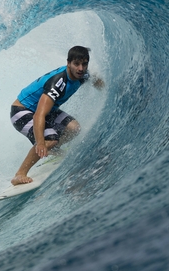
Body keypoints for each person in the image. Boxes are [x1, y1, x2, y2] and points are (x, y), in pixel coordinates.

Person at [9, 45, 104, 185]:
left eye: (84, 64)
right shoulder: (58, 84)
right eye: (76, 64)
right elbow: (38, 116)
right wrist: (41, 143)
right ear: (68, 63)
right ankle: (19, 174)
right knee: (49, 139)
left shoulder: (82, 75)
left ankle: (52, 150)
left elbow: (96, 80)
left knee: (74, 128)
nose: (81, 68)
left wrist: (108, 88)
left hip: (46, 110)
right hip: (22, 111)